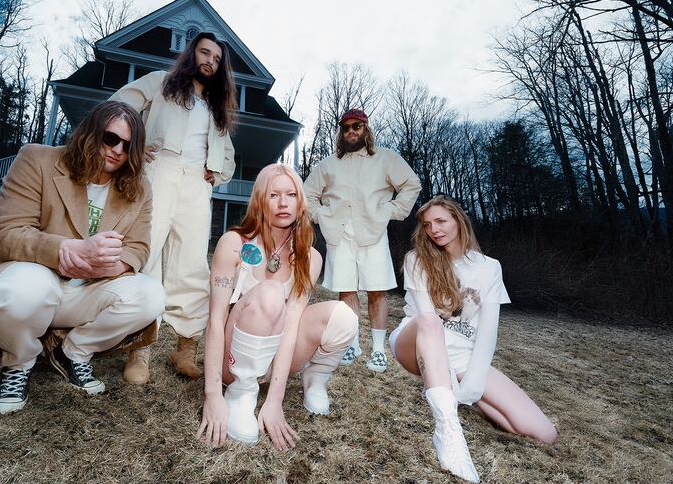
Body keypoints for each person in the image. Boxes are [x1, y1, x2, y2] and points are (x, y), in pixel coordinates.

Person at [0, 101, 165, 414]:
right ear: (90, 131)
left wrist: (113, 263)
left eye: (128, 146)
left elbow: (138, 248)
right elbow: (5, 233)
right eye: (110, 139)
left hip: (86, 290)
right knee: (24, 288)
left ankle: (76, 351)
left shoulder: (140, 189)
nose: (117, 151)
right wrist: (63, 250)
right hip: (37, 280)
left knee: (151, 295)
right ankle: (18, 363)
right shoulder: (38, 159)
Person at [390, 195, 557, 482]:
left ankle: (460, 398)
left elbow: (488, 332)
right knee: (430, 321)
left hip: (462, 357)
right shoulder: (417, 258)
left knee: (544, 433)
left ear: (458, 220)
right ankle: (448, 432)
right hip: (416, 342)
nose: (434, 230)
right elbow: (427, 320)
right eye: (428, 225)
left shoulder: (489, 267)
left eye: (441, 221)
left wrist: (472, 385)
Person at [197, 164, 358, 450]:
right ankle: (241, 393)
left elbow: (292, 325)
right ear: (260, 200)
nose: (283, 203)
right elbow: (214, 320)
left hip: (272, 360)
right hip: (231, 361)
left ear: (300, 201)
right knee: (270, 293)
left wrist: (274, 400)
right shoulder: (233, 244)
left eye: (291, 194)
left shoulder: (310, 258)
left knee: (343, 316)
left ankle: (315, 377)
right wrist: (212, 394)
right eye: (274, 195)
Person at [109, 32, 237, 383]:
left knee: (192, 262)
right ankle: (140, 348)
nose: (209, 60)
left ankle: (186, 345)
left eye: (216, 58)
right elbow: (119, 107)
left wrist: (218, 171)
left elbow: (228, 156)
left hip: (198, 183)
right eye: (204, 52)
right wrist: (134, 142)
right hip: (159, 172)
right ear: (191, 54)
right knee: (146, 255)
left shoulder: (216, 108)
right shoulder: (160, 84)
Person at [304, 108, 421, 372]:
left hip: (373, 233)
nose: (351, 132)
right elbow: (306, 194)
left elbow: (411, 184)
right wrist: (322, 215)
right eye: (345, 128)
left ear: (366, 130)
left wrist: (391, 210)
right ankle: (352, 344)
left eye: (356, 126)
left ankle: (378, 351)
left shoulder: (386, 159)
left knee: (376, 290)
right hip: (339, 234)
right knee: (346, 290)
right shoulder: (328, 164)